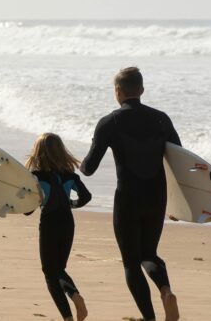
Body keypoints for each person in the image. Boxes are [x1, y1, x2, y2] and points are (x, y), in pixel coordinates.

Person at [80, 67, 181, 321]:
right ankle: (166, 290)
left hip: (128, 198)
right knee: (149, 254)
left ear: (117, 92)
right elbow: (179, 160)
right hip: (157, 197)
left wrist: (78, 163)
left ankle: (149, 317)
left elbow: (89, 168)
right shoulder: (162, 119)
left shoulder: (109, 122)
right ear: (142, 90)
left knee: (130, 262)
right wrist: (181, 204)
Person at [24, 133, 91, 321]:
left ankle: (69, 313)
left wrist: (34, 201)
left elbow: (27, 211)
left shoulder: (35, 177)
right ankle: (74, 298)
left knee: (49, 272)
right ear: (61, 151)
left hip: (49, 223)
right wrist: (71, 204)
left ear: (38, 153)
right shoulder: (70, 175)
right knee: (59, 269)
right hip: (68, 223)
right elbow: (86, 197)